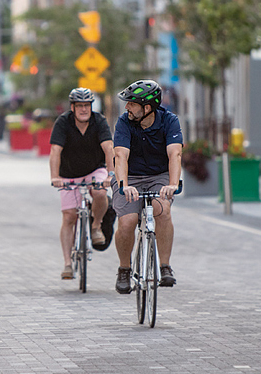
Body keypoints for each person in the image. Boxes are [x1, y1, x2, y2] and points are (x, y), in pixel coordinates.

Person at [111, 79, 183, 294]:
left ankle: (165, 266)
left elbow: (175, 154)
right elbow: (120, 156)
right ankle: (124, 269)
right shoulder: (124, 122)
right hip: (129, 177)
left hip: (158, 176)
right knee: (128, 221)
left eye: (131, 103)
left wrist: (172, 184)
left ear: (147, 107)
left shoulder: (169, 121)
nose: (126, 107)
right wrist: (123, 185)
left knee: (163, 210)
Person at [50, 88, 115, 280]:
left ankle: (96, 226)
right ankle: (68, 264)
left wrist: (110, 176)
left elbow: (108, 148)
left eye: (87, 105)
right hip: (68, 174)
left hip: (95, 169)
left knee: (101, 192)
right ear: (73, 107)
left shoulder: (99, 121)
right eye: (80, 106)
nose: (84, 110)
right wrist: (55, 177)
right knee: (69, 216)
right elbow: (55, 151)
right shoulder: (63, 122)